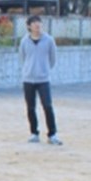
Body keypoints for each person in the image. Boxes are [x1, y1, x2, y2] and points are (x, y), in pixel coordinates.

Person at [19, 15, 62, 145]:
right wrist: (28, 70)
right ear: (29, 26)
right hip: (28, 79)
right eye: (34, 23)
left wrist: (45, 70)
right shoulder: (24, 41)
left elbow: (53, 59)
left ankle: (52, 134)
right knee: (30, 107)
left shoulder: (49, 40)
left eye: (39, 23)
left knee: (47, 106)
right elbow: (22, 58)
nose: (37, 25)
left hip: (43, 79)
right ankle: (34, 133)